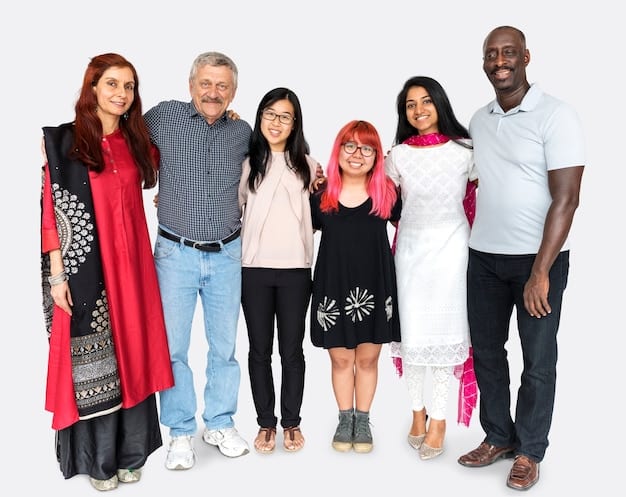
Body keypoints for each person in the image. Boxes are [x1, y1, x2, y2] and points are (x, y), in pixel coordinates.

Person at [457, 26, 585, 491]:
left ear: (526, 57)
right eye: (491, 54)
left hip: (538, 263)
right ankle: (498, 436)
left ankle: (530, 450)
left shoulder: (557, 115)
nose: (500, 60)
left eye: (508, 52)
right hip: (484, 260)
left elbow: (566, 199)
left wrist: (540, 273)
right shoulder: (480, 118)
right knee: (487, 353)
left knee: (538, 361)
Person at [40, 53, 174, 491]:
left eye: (129, 86)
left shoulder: (138, 143)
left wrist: (226, 114)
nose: (121, 93)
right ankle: (98, 461)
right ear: (92, 88)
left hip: (133, 268)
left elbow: (175, 151)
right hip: (88, 273)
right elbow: (51, 216)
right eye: (112, 84)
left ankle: (132, 453)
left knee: (133, 351)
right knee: (99, 358)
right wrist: (58, 277)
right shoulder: (64, 143)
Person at [144, 52, 252, 470]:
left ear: (233, 92)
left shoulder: (243, 130)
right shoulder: (164, 117)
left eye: (222, 86)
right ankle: (181, 432)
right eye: (206, 84)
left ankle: (220, 422)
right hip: (175, 254)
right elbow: (119, 132)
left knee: (224, 348)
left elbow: (280, 154)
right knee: (173, 349)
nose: (213, 93)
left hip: (226, 253)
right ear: (191, 86)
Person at [385, 76, 477, 461]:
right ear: (403, 113)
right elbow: (385, 205)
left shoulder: (466, 149)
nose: (419, 110)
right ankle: (417, 413)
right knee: (414, 335)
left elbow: (476, 199)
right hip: (409, 251)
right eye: (410, 105)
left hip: (453, 250)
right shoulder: (397, 155)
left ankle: (439, 419)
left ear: (439, 103)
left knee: (445, 333)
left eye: (426, 101)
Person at [310, 120, 401, 453]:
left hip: (375, 289)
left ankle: (362, 420)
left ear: (377, 156)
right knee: (340, 361)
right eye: (350, 146)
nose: (357, 154)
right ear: (338, 151)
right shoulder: (321, 195)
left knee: (366, 361)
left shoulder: (388, 194)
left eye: (367, 148)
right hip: (333, 288)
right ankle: (344, 417)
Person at [238, 87, 319, 454]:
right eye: (270, 113)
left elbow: (324, 213)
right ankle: (265, 423)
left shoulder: (309, 165)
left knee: (292, 351)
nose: (276, 122)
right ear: (260, 117)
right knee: (259, 350)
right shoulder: (247, 163)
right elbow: (232, 207)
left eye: (285, 116)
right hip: (253, 270)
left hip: (296, 272)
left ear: (295, 123)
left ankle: (291, 422)